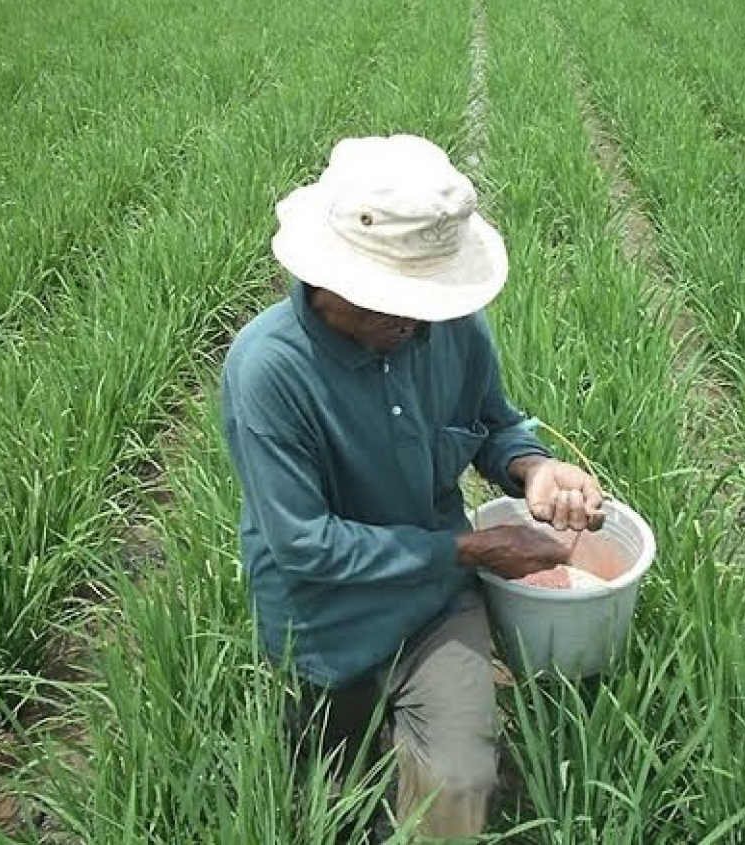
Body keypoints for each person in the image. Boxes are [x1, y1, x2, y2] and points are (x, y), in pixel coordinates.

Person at [219, 134, 607, 839]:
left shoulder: (445, 326)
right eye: (393, 302)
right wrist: (470, 548)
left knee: (457, 784)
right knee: (331, 791)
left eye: (423, 300)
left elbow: (492, 423)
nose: (414, 319)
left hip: (434, 603)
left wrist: (532, 466)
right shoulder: (268, 371)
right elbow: (308, 547)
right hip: (323, 624)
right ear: (330, 277)